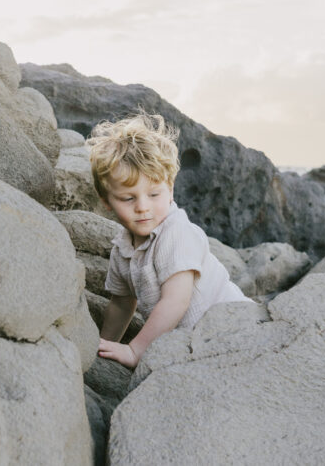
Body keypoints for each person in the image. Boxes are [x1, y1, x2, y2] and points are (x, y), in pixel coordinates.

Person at [89, 111, 251, 369]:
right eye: (128, 198)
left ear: (171, 189)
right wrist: (103, 347)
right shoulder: (122, 248)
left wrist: (135, 351)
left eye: (154, 194)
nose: (143, 207)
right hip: (194, 344)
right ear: (106, 201)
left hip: (237, 329)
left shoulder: (177, 233)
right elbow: (121, 304)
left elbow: (176, 301)